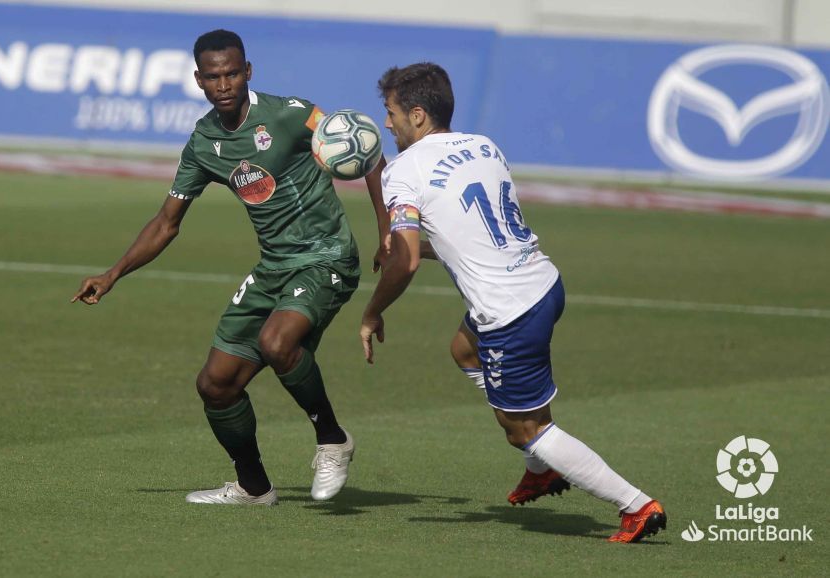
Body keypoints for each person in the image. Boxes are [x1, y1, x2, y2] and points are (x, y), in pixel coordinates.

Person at [73, 29, 389, 506]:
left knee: (276, 342)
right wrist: (112, 273)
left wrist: (387, 230)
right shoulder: (203, 143)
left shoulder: (291, 114)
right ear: (199, 79)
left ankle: (332, 439)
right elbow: (166, 223)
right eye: (214, 76)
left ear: (248, 72)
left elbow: (367, 151)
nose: (225, 84)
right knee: (215, 384)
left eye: (233, 74)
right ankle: (253, 487)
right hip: (275, 266)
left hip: (326, 256)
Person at [359, 62, 666, 542]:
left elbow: (406, 265)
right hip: (543, 283)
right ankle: (539, 469)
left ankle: (636, 505)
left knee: (526, 428)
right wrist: (406, 246)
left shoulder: (403, 170)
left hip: (509, 311)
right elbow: (465, 235)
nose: (388, 122)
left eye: (392, 112)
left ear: (417, 115)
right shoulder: (485, 146)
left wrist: (373, 310)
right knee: (464, 350)